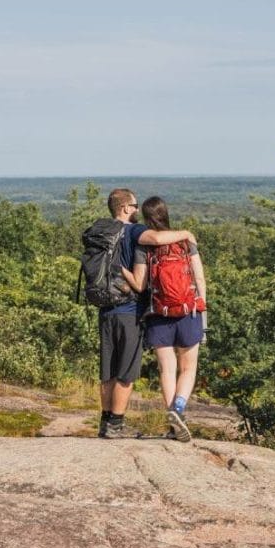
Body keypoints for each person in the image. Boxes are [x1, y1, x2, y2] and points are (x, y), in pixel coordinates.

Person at [96, 188, 196, 440]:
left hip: (105, 308)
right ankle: (116, 425)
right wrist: (186, 233)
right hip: (129, 310)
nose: (137, 210)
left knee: (107, 370)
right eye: (135, 205)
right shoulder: (134, 231)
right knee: (126, 371)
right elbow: (158, 239)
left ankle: (105, 422)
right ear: (125, 208)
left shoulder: (102, 232)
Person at [121, 196, 207, 443]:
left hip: (159, 314)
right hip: (189, 311)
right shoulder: (185, 241)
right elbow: (199, 279)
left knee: (167, 369)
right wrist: (203, 310)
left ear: (147, 218)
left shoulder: (144, 246)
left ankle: (173, 424)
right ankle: (178, 409)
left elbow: (140, 284)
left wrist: (120, 269)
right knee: (188, 368)